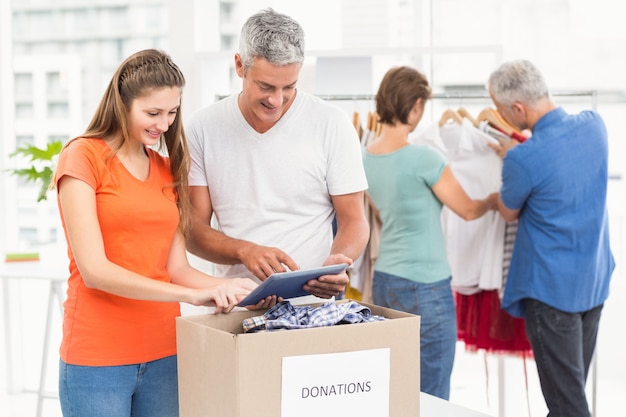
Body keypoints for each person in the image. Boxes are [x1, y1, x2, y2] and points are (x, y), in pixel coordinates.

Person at [53, 49, 259, 417]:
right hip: (98, 357)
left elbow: (176, 267)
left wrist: (232, 291)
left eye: (172, 112)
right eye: (152, 113)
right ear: (122, 104)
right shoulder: (82, 157)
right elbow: (94, 271)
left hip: (165, 353)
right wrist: (191, 297)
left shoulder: (167, 169)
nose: (164, 124)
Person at [185, 8, 369, 301]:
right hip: (237, 305)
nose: (277, 100)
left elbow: (355, 221)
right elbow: (193, 231)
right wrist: (244, 251)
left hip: (314, 307)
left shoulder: (332, 123)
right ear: (239, 65)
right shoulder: (201, 128)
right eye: (265, 86)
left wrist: (339, 258)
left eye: (289, 87)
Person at [361, 66, 498, 400]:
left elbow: (380, 214)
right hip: (426, 285)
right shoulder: (424, 157)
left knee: (396, 385)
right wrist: (492, 201)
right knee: (433, 390)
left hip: (385, 281)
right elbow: (466, 209)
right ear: (416, 106)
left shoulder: (364, 157)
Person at [487, 59, 615, 417]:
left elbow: (509, 210)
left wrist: (509, 164)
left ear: (518, 108)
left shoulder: (523, 159)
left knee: (567, 404)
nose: (502, 116)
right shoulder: (595, 126)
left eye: (501, 110)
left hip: (551, 293)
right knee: (566, 396)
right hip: (593, 284)